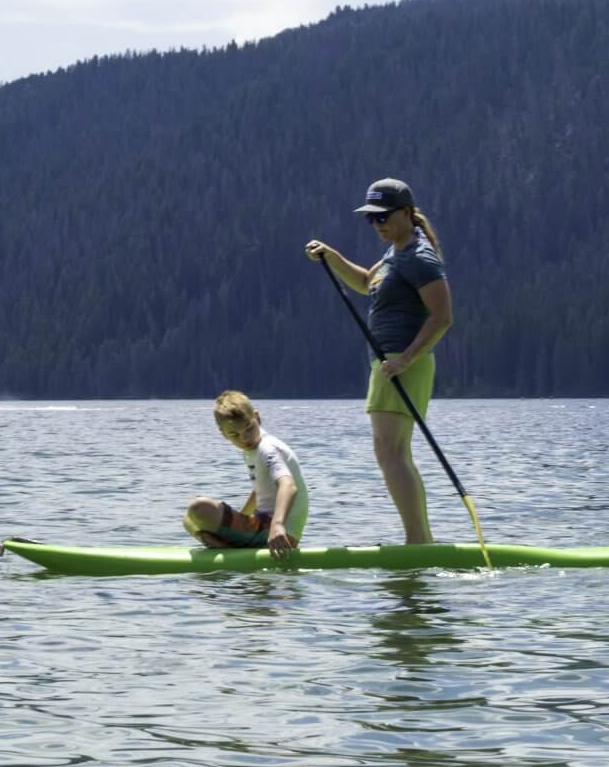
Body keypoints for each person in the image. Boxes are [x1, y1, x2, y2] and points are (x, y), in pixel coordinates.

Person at [305, 177, 455, 544]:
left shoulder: (418, 256)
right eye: (371, 218)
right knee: (394, 450)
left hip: (401, 364)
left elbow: (442, 317)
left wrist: (405, 359)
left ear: (406, 213)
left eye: (384, 216)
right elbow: (364, 283)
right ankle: (421, 539)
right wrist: (331, 256)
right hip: (391, 364)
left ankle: (418, 540)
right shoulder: (395, 252)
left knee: (389, 450)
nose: (377, 224)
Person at [182, 390, 307, 558]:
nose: (244, 438)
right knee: (188, 521)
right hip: (263, 525)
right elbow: (259, 492)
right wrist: (241, 518)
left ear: (257, 417)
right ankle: (228, 548)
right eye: (234, 434)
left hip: (278, 534)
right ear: (223, 433)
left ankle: (228, 549)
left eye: (248, 428)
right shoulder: (251, 448)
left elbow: (288, 486)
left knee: (199, 507)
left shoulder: (267, 447)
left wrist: (278, 525)